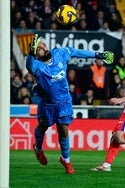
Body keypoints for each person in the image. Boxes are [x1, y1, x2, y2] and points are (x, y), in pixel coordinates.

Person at [26, 34, 114, 174]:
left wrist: (99, 54)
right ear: (36, 53)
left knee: (64, 130)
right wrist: (30, 53)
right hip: (47, 104)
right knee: (42, 127)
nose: (43, 46)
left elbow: (77, 52)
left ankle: (66, 160)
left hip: (64, 102)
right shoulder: (37, 66)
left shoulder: (60, 53)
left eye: (43, 44)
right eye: (39, 47)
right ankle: (38, 149)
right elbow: (29, 65)